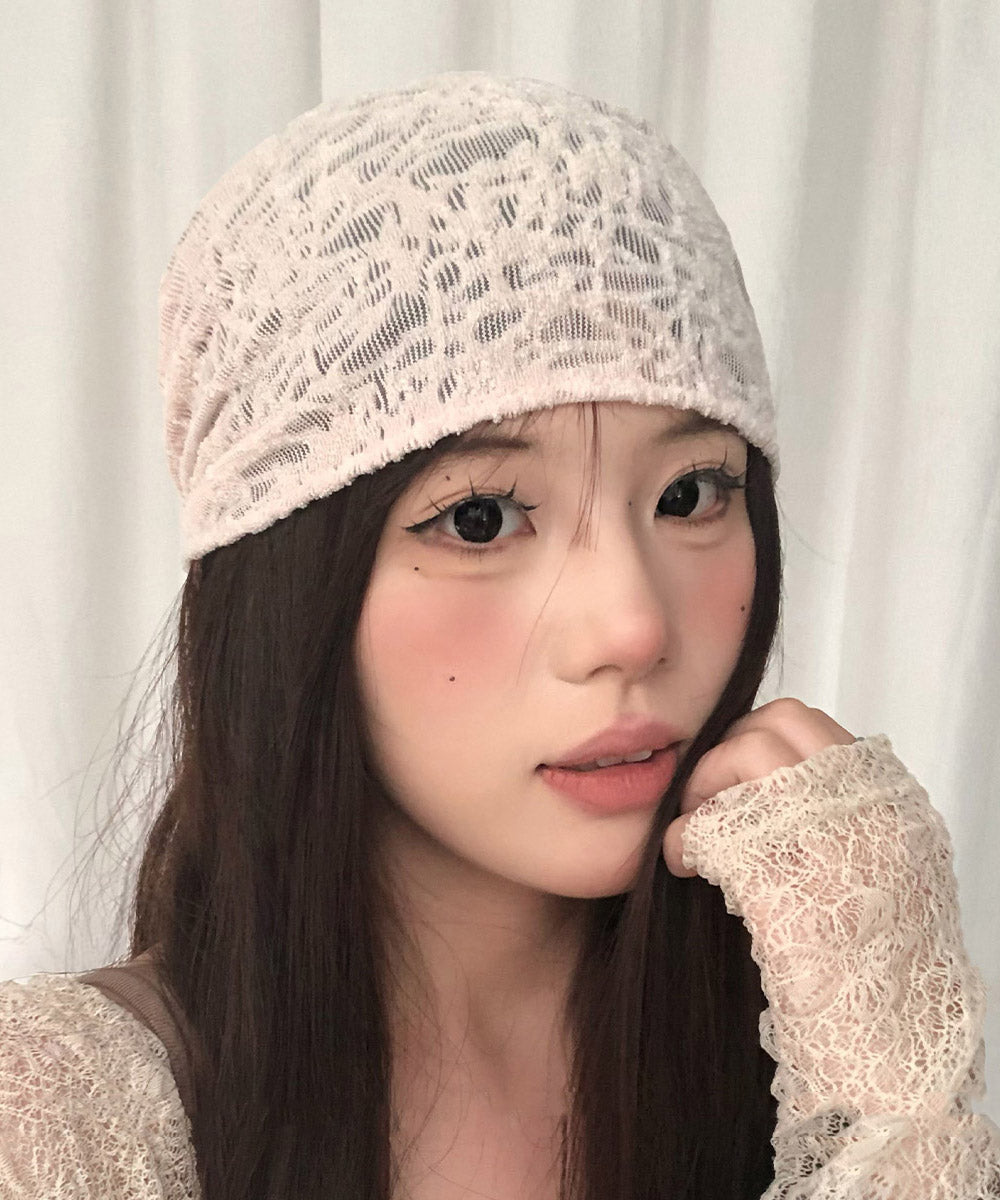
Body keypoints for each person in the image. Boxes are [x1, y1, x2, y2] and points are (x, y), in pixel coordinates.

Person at [1, 70, 997, 1200]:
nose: (632, 628)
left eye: (689, 495)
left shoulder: (815, 1036)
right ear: (286, 590)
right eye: (479, 518)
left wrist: (888, 1102)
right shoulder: (64, 1118)